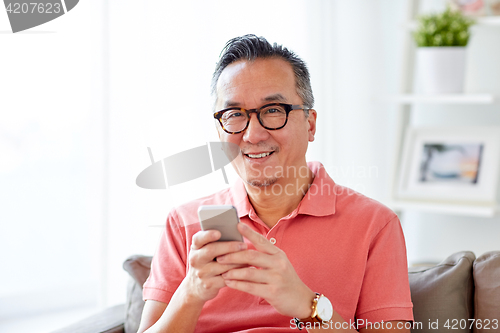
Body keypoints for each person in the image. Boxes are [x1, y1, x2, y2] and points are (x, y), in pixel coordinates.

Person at [138, 34, 413, 333]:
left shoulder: (375, 225)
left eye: (272, 111)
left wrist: (308, 305)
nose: (253, 135)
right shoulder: (184, 224)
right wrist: (190, 293)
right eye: (234, 115)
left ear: (310, 124)